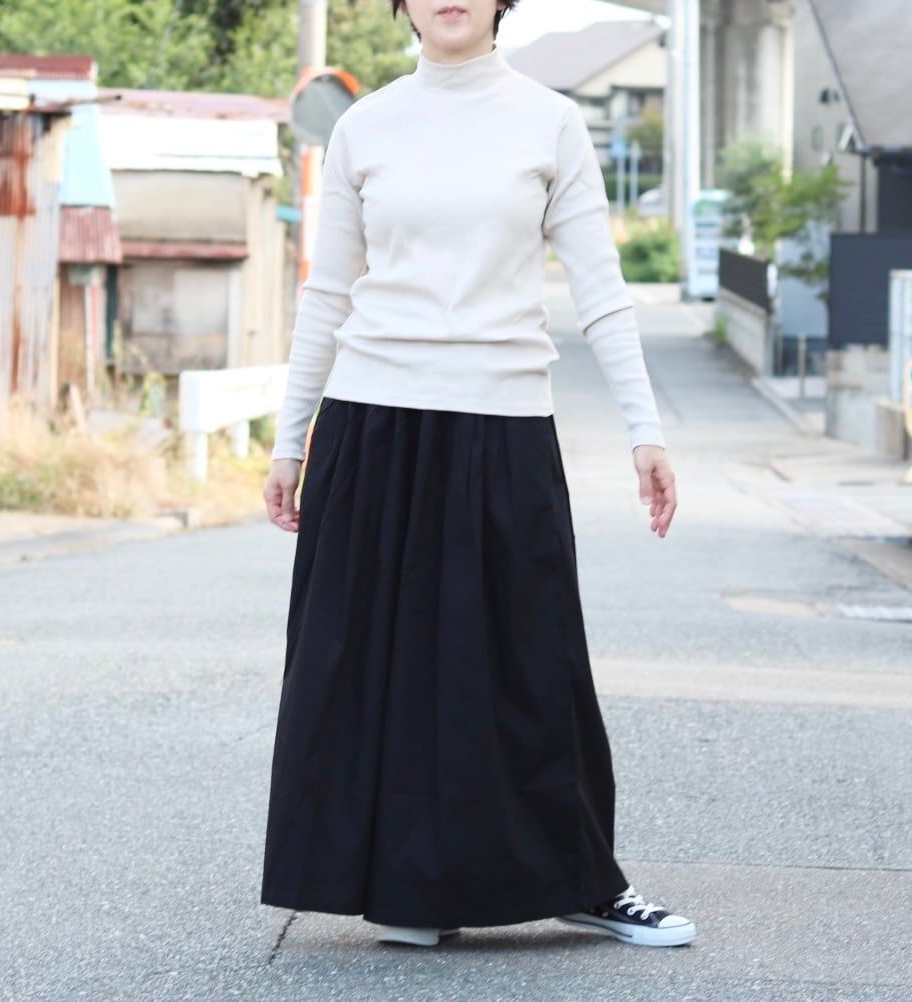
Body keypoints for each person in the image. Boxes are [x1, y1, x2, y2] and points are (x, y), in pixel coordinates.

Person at [261, 0, 696, 950]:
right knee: (373, 667)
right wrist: (291, 441)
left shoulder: (550, 121)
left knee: (531, 663)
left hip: (503, 421)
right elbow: (327, 293)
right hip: (373, 420)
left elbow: (602, 290)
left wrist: (646, 430)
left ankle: (583, 880)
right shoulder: (366, 125)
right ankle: (410, 889)